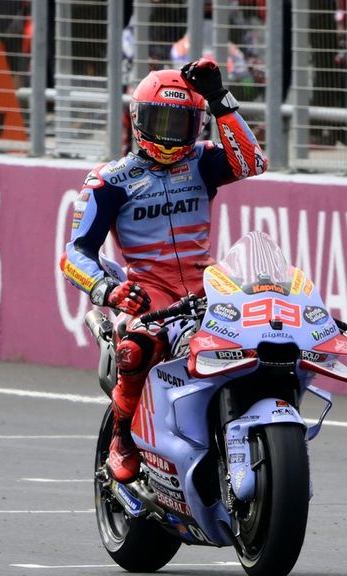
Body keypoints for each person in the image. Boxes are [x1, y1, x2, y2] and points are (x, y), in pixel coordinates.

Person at [60, 57, 267, 483]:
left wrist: (218, 98)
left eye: (181, 122)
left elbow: (253, 163)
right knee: (137, 347)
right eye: (161, 120)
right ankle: (122, 435)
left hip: (208, 282)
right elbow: (74, 254)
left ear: (197, 125)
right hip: (149, 289)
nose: (171, 134)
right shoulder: (109, 181)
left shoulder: (203, 161)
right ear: (139, 120)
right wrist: (107, 290)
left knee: (261, 334)